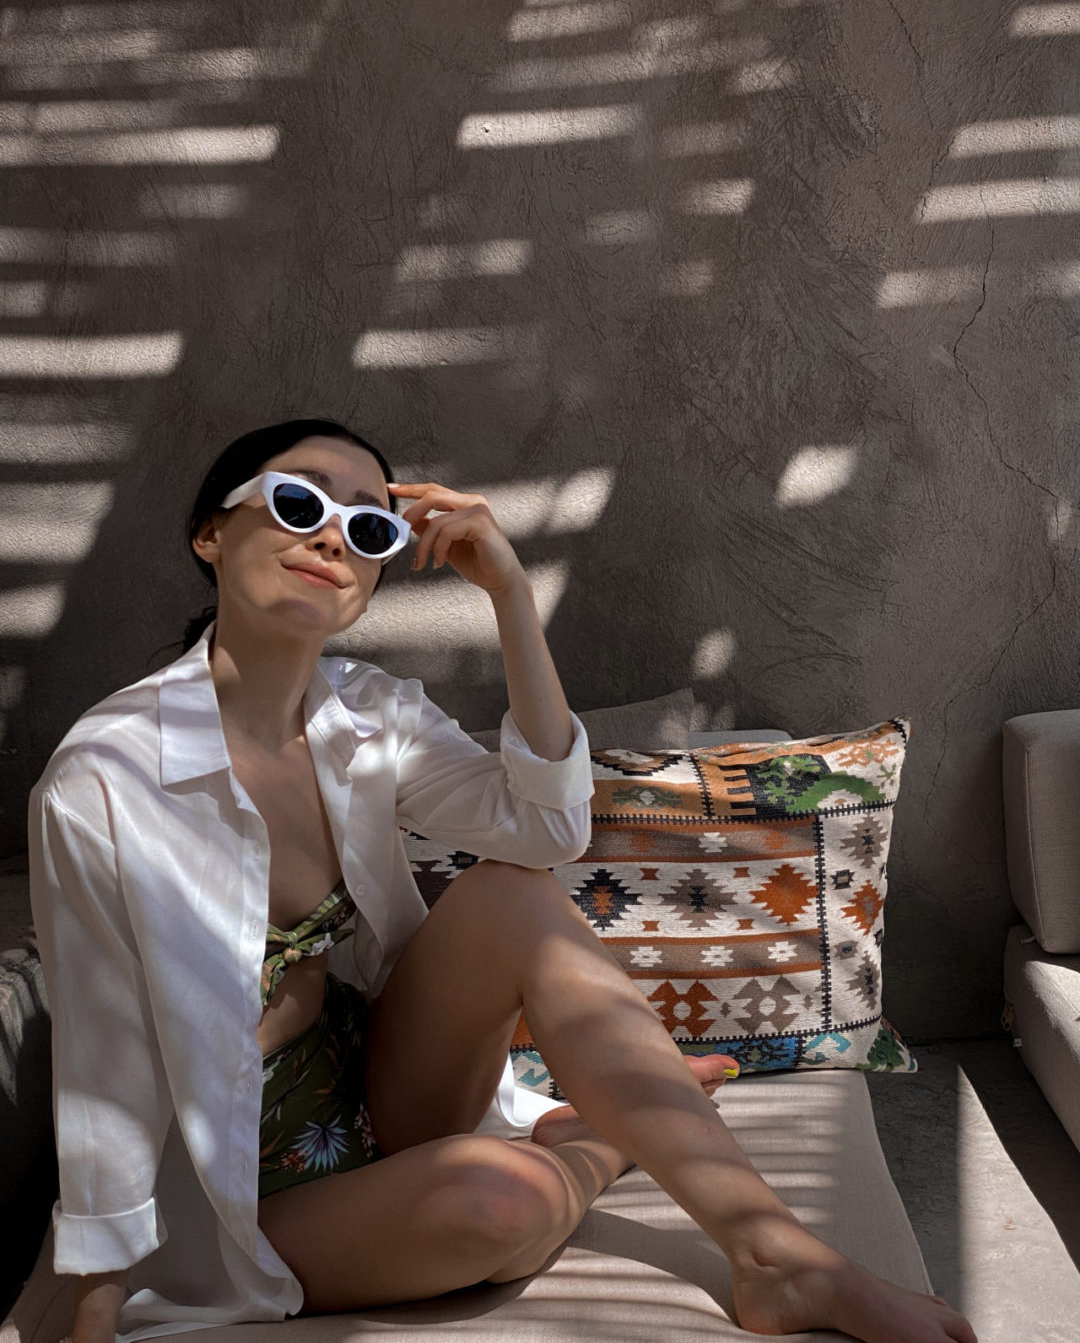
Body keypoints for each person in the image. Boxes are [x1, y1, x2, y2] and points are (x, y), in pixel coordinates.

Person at [29, 417, 978, 1343]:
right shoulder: (107, 778)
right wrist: (98, 1304)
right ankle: (601, 1142)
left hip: (382, 1089)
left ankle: (776, 1257)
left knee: (511, 893)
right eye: (294, 501)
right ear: (211, 531)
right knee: (503, 1198)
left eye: (367, 526)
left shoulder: (366, 713)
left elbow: (547, 827)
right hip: (241, 1183)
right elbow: (103, 1049)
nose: (329, 534)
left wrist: (512, 597)